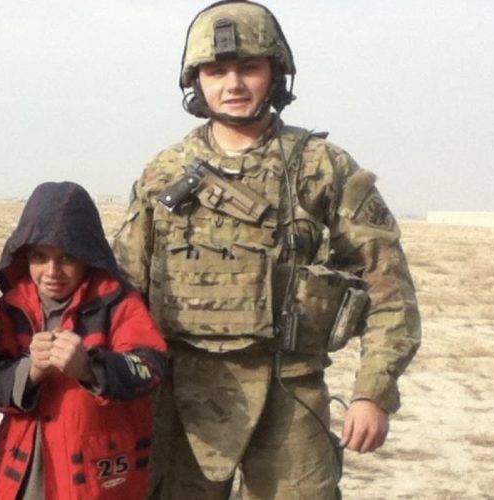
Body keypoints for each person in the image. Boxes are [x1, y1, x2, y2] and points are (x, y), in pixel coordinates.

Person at [113, 1, 422, 498]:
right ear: (196, 82)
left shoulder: (323, 167)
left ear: (275, 74)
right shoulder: (164, 173)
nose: (233, 84)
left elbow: (387, 286)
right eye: (216, 71)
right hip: (179, 399)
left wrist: (374, 392)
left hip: (290, 393)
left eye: (249, 68)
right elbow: (124, 291)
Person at [0, 181, 167, 500]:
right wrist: (30, 372)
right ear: (24, 255)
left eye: (67, 258)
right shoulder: (13, 308)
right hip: (25, 473)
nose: (52, 271)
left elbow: (151, 368)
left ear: (88, 257)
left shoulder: (117, 303)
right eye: (40, 256)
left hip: (94, 478)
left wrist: (90, 368)